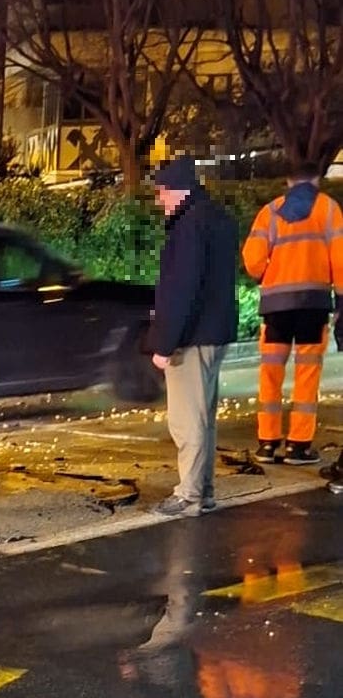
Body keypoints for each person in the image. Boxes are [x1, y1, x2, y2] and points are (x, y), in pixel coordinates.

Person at [150, 156, 238, 517]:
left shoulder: (188, 227)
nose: (159, 201)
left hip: (192, 336)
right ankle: (204, 490)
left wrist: (164, 344)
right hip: (216, 332)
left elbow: (181, 289)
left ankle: (189, 495)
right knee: (205, 417)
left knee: (187, 419)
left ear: (175, 190)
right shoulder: (219, 219)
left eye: (161, 193)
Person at [242, 164, 343, 466]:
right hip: (313, 304)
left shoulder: (270, 211)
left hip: (276, 307)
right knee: (307, 373)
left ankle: (267, 443)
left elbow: (252, 259)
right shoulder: (328, 209)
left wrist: (267, 275)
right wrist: (340, 300)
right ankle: (298, 446)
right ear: (317, 180)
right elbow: (340, 259)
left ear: (288, 180)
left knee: (270, 375)